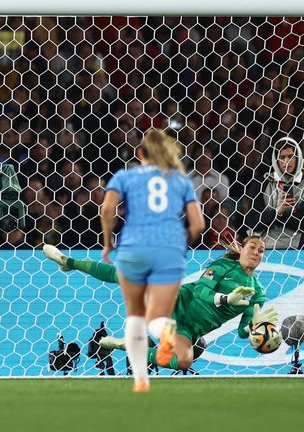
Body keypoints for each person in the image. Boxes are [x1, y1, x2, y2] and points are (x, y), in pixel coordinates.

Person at [42, 236, 279, 373]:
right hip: (176, 300)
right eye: (252, 247)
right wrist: (226, 299)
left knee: (184, 361)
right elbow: (200, 291)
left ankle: (127, 346)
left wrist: (254, 328)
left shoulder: (257, 293)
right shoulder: (224, 267)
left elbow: (242, 331)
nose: (257, 253)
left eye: (261, 250)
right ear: (241, 250)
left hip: (188, 329)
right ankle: (68, 261)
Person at [99, 128, 205, 392]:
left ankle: (141, 380)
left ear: (139, 154)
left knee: (136, 314)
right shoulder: (180, 181)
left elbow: (107, 209)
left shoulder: (126, 175)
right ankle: (165, 335)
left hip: (135, 250)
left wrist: (107, 243)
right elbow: (199, 224)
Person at [244, 137, 304, 249]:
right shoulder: (261, 183)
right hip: (265, 249)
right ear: (275, 160)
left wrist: (276, 216)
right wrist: (277, 212)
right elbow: (253, 222)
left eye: (291, 157)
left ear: (298, 158)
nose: (286, 162)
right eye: (282, 157)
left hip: (300, 249)